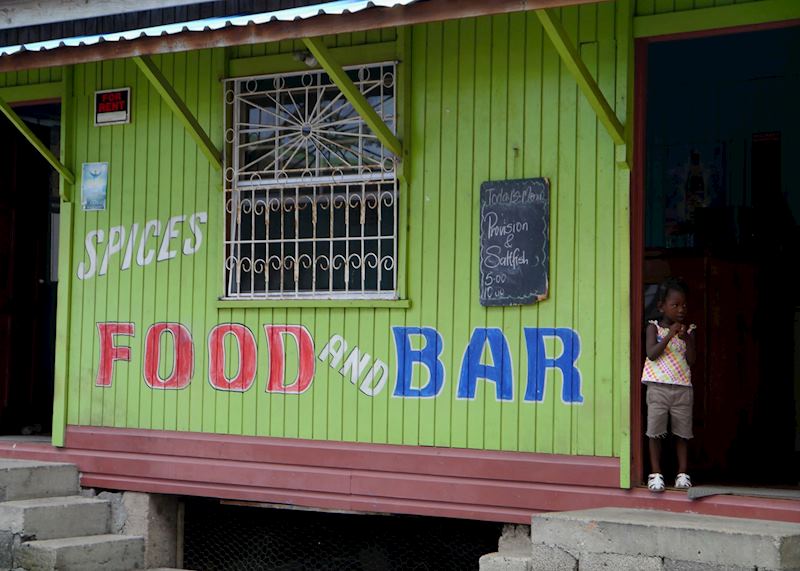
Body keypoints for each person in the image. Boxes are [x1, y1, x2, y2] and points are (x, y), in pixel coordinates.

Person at [642, 278, 696, 492]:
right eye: (675, 305)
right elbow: (652, 354)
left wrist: (686, 339)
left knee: (682, 433)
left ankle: (682, 474)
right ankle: (656, 474)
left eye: (684, 305)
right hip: (657, 388)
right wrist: (670, 335)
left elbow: (692, 360)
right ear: (661, 306)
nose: (681, 309)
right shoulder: (653, 328)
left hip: (682, 388)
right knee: (655, 432)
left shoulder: (689, 331)